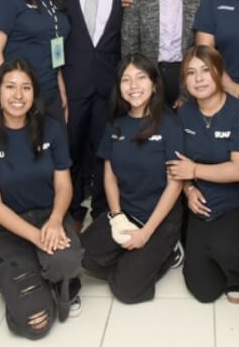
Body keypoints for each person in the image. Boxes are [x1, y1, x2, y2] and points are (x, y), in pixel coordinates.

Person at [0, 58, 82, 339]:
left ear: (34, 94)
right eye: (10, 87)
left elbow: (64, 186)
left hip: (48, 217)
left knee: (65, 262)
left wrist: (55, 220)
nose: (18, 95)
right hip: (9, 228)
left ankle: (51, 278)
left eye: (26, 87)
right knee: (36, 324)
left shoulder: (51, 128)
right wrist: (35, 237)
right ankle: (32, 284)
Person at [80, 53, 184, 304]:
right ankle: (134, 260)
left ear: (154, 84)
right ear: (119, 87)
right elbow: (110, 176)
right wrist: (117, 217)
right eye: (126, 80)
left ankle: (169, 252)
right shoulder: (115, 125)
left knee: (126, 290)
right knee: (81, 257)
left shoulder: (169, 124)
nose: (133, 85)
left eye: (140, 78)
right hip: (126, 213)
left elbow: (175, 184)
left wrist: (145, 233)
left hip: (159, 220)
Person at [168, 45, 239, 304]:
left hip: (234, 203)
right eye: (191, 73)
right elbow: (178, 163)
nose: (199, 78)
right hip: (199, 202)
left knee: (228, 250)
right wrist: (188, 189)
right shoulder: (184, 113)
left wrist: (195, 170)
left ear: (219, 73)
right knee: (202, 290)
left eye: (206, 70)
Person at [63, 0, 132, 227]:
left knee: (107, 153)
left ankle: (104, 217)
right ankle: (71, 214)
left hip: (108, 84)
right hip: (70, 83)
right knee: (70, 152)